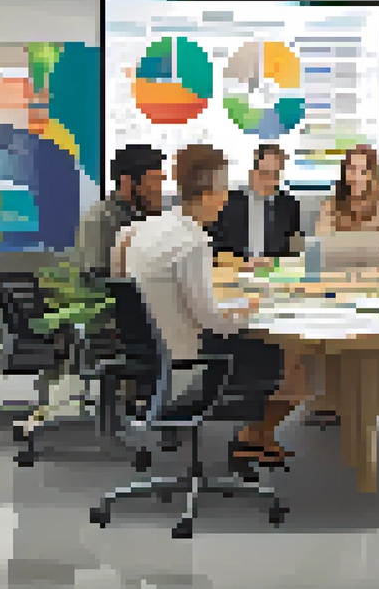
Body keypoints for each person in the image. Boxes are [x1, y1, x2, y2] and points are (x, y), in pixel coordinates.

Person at [113, 144, 309, 468]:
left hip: (151, 360)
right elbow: (213, 322)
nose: (226, 200)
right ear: (207, 195)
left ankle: (256, 437)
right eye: (223, 191)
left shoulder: (138, 230)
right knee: (296, 358)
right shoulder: (194, 242)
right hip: (192, 367)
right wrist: (251, 311)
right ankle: (254, 436)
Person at [75, 144, 166, 277]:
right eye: (153, 181)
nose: (159, 189)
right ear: (127, 181)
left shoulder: (145, 216)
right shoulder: (101, 219)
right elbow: (96, 279)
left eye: (161, 181)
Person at [208, 143, 303, 266]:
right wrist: (241, 263)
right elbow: (211, 246)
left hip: (274, 272)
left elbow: (296, 250)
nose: (270, 182)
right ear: (252, 173)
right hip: (233, 270)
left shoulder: (289, 205)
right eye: (265, 173)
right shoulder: (226, 202)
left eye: (275, 175)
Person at [316, 144, 379, 260]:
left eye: (363, 171)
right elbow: (320, 245)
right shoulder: (330, 205)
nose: (356, 176)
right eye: (352, 169)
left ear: (372, 174)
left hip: (378, 265)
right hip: (340, 264)